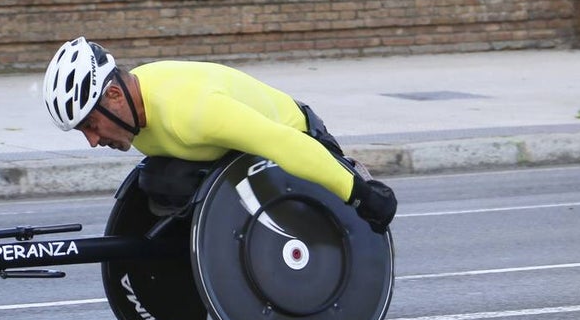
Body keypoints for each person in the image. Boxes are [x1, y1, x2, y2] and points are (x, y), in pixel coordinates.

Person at [41, 36, 397, 233]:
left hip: (297, 136)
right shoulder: (135, 112)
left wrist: (358, 191)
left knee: (172, 178)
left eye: (90, 124)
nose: (91, 140)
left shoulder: (193, 111)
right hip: (232, 154)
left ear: (114, 96)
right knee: (163, 180)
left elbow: (283, 143)